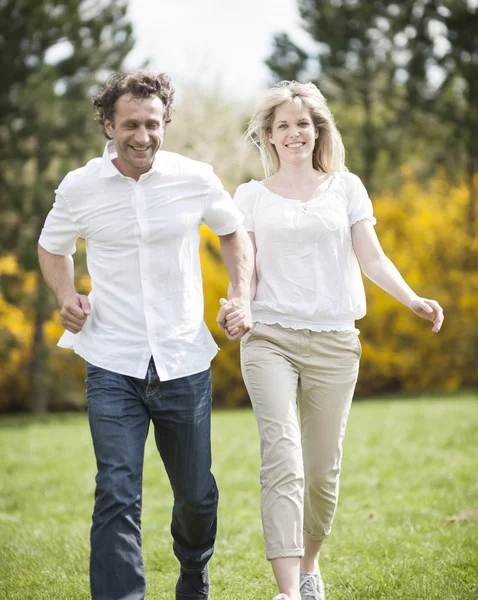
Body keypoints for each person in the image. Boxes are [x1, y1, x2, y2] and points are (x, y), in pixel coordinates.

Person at [219, 81, 444, 600]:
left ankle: (309, 568)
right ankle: (288, 593)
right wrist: (241, 307)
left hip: (335, 340)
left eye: (303, 123)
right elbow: (246, 269)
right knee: (283, 456)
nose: (294, 133)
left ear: (317, 129)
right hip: (270, 337)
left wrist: (411, 299)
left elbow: (372, 257)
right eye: (282, 126)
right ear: (269, 137)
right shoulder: (250, 196)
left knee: (321, 470)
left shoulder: (345, 186)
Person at [38, 71, 253, 600]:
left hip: (184, 360)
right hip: (112, 360)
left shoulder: (194, 178)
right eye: (130, 124)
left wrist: (241, 295)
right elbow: (52, 246)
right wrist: (66, 297)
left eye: (152, 124)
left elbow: (233, 231)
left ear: (165, 124)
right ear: (108, 125)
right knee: (116, 490)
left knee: (197, 496)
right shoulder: (79, 186)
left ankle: (193, 568)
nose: (142, 135)